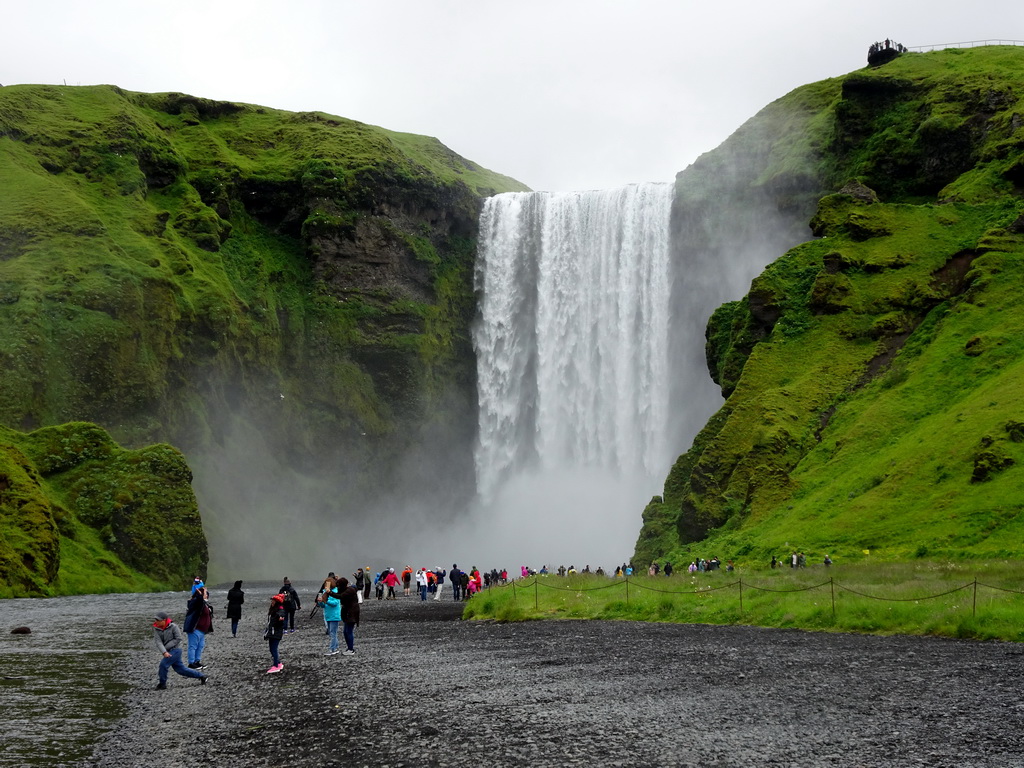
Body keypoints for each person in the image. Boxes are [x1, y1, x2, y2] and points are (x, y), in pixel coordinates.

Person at [153, 611, 208, 689]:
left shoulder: (173, 626)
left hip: (176, 650)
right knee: (181, 669)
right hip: (168, 651)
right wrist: (164, 651)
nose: (156, 622)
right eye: (156, 620)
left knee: (163, 665)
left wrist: (165, 649)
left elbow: (178, 638)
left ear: (164, 620)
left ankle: (162, 684)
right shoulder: (156, 629)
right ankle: (202, 676)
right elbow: (158, 641)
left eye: (158, 620)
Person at [184, 585, 212, 669]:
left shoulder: (204, 603)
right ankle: (191, 663)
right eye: (205, 593)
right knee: (193, 646)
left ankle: (197, 661)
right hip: (195, 628)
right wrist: (200, 596)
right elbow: (198, 603)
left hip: (202, 630)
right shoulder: (195, 602)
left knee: (200, 646)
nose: (206, 595)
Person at [330, 577, 359, 655]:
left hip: (351, 613)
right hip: (349, 613)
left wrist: (330, 593)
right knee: (346, 632)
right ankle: (349, 648)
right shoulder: (348, 589)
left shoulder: (350, 591)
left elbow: (340, 596)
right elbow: (340, 594)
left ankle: (351, 649)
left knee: (348, 631)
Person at [265, 593, 287, 673]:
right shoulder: (274, 609)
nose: (272, 602)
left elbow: (281, 615)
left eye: (273, 601)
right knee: (272, 649)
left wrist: (280, 618)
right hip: (272, 632)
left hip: (276, 633)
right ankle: (278, 663)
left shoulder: (280, 610)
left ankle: (276, 666)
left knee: (274, 649)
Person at [322, 579, 341, 655]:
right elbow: (323, 605)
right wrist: (321, 602)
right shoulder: (325, 592)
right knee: (332, 633)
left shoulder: (335, 592)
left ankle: (333, 649)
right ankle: (335, 647)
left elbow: (335, 603)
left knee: (333, 633)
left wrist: (326, 601)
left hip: (334, 615)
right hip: (328, 614)